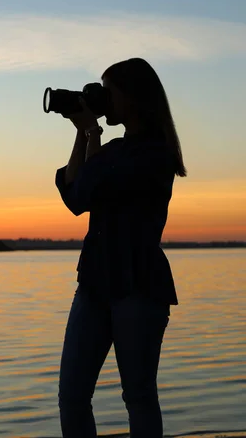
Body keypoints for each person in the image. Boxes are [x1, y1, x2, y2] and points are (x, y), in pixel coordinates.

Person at [55, 58, 186, 438]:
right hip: (95, 282)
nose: (103, 98)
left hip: (139, 284)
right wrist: (85, 132)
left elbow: (91, 186)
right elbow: (76, 197)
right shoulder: (113, 149)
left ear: (133, 97)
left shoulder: (154, 155)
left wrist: (91, 133)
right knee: (72, 396)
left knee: (139, 395)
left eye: (108, 91)